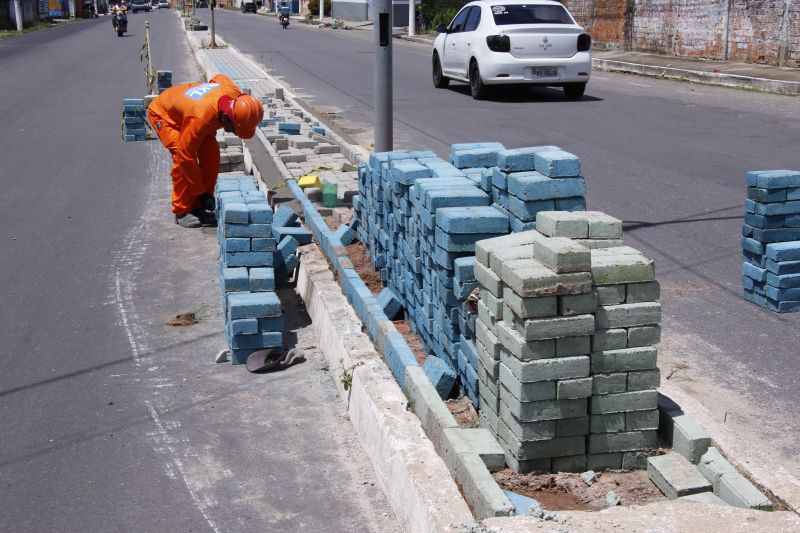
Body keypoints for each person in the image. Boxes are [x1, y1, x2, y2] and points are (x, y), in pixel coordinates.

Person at [147, 74, 264, 227]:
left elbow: (219, 77)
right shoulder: (201, 117)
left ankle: (198, 208)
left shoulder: (233, 93)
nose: (234, 133)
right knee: (182, 159)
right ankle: (181, 210)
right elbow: (185, 155)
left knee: (211, 155)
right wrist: (201, 194)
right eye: (235, 130)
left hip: (192, 114)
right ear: (227, 118)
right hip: (165, 116)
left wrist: (205, 92)